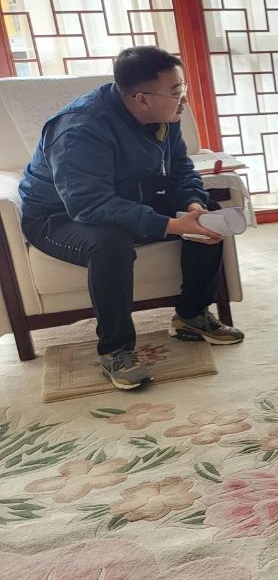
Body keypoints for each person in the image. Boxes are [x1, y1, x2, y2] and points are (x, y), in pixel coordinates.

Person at [18, 47, 243, 391]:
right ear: (142, 99)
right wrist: (171, 225)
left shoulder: (166, 117)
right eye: (176, 91)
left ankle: (191, 315)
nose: (184, 99)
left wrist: (193, 205)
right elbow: (88, 205)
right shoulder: (80, 128)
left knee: (207, 213)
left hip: (128, 199)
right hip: (57, 217)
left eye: (182, 88)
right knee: (111, 243)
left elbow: (181, 171)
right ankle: (115, 349)